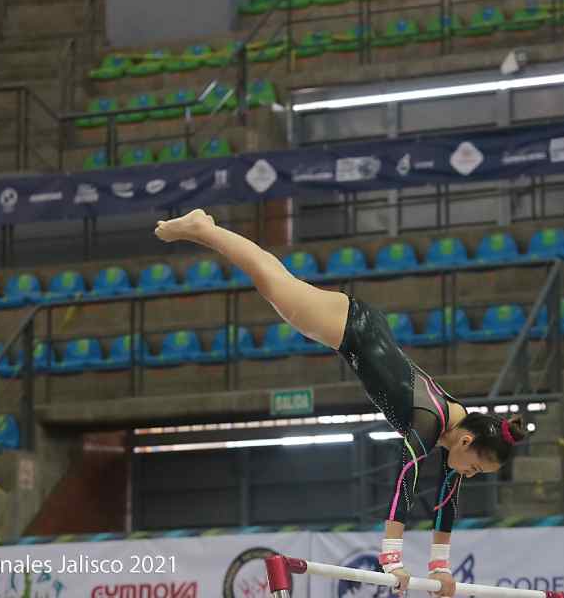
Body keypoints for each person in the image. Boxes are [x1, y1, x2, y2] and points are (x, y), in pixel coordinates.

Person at [154, 209, 528, 598]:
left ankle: (205, 229)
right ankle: (203, 229)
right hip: (352, 328)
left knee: (275, 281)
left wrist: (441, 569)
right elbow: (405, 482)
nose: (469, 475)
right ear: (468, 443)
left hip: (360, 330)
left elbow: (445, 504)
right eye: (475, 469)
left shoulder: (459, 431)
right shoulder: (432, 421)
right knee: (271, 279)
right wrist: (392, 559)